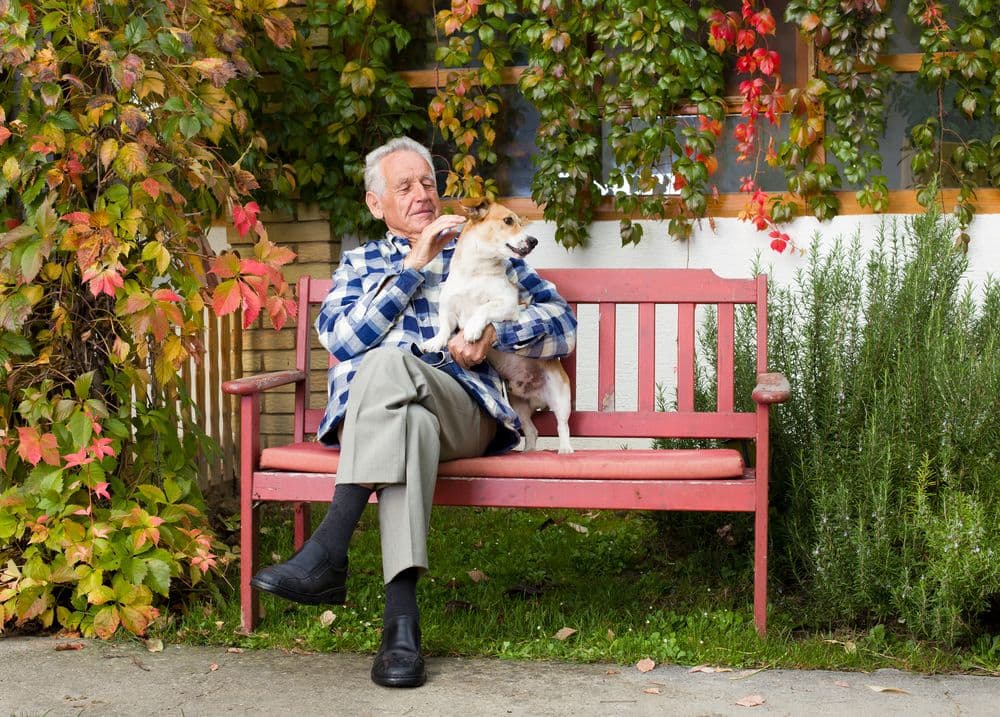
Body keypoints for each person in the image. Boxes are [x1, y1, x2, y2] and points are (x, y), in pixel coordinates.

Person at [250, 137, 577, 688]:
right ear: (377, 204)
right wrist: (412, 267)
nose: (422, 194)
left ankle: (329, 549)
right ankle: (400, 630)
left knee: (387, 368)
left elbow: (562, 321)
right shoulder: (360, 262)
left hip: (466, 408)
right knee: (403, 412)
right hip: (389, 422)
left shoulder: (480, 244)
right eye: (404, 186)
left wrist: (498, 331)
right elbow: (343, 338)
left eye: (427, 182)